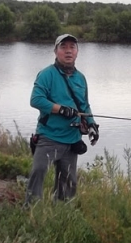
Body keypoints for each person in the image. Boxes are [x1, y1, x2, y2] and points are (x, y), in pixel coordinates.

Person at [25, 34, 99, 204]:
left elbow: (85, 105)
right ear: (55, 51)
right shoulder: (46, 74)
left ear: (77, 52)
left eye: (72, 47)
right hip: (48, 137)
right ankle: (30, 210)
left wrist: (92, 124)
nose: (68, 51)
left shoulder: (81, 78)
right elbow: (35, 100)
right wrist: (60, 109)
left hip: (72, 139)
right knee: (39, 171)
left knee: (68, 183)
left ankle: (62, 215)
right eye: (63, 47)